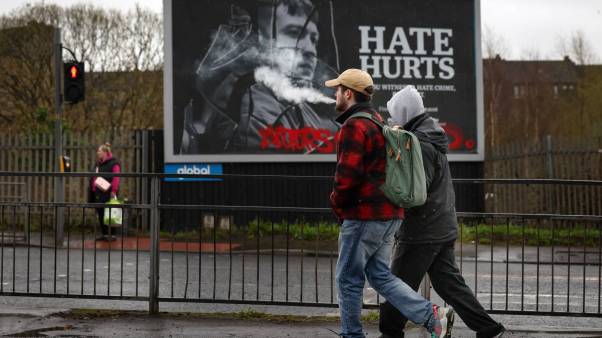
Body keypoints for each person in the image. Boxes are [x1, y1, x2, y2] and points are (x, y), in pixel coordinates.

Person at [326, 69, 454, 338]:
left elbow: (347, 176)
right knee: (380, 276)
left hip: (363, 216)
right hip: (389, 215)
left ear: (348, 93)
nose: (334, 94)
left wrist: (337, 206)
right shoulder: (376, 121)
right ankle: (431, 316)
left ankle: (352, 335)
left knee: (348, 280)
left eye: (337, 90)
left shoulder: (354, 126)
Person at [378, 86, 505, 338]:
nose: (393, 121)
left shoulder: (420, 145)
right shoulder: (430, 135)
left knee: (397, 284)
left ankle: (390, 332)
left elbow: (416, 190)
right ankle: (488, 328)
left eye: (395, 115)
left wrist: (389, 191)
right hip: (441, 223)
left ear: (404, 113)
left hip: (422, 229)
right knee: (450, 284)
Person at [179, 0, 339, 154]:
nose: (310, 49)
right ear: (264, 41)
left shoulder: (315, 111)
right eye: (294, 33)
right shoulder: (248, 101)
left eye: (314, 39)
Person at [89, 143, 121, 242]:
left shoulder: (114, 163)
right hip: (97, 192)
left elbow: (116, 177)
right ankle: (104, 234)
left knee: (110, 213)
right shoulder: (98, 163)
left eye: (99, 151)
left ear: (105, 152)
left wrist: (114, 190)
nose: (98, 153)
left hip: (108, 192)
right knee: (101, 213)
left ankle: (113, 235)